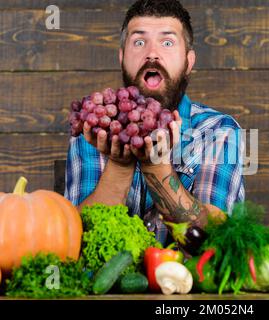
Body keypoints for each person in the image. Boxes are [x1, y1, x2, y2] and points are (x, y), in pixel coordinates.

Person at [64, 0, 245, 247]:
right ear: (122, 57)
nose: (151, 53)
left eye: (167, 42)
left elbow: (215, 246)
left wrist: (156, 166)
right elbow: (74, 244)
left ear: (188, 62)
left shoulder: (219, 132)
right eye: (139, 42)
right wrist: (119, 165)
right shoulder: (93, 132)